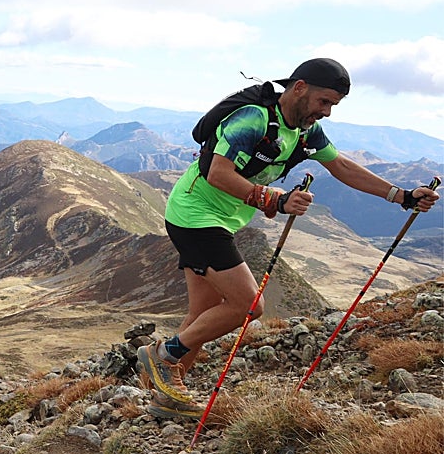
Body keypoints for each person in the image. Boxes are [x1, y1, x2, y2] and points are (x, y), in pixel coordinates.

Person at [137, 57, 440, 420]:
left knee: (204, 314)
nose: (326, 112)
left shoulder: (305, 132)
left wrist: (401, 196)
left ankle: (169, 395)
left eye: (333, 105)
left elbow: (341, 166)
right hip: (195, 216)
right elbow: (219, 174)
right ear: (300, 88)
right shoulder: (253, 119)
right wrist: (274, 199)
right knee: (249, 305)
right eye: (323, 102)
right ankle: (162, 356)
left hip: (220, 220)